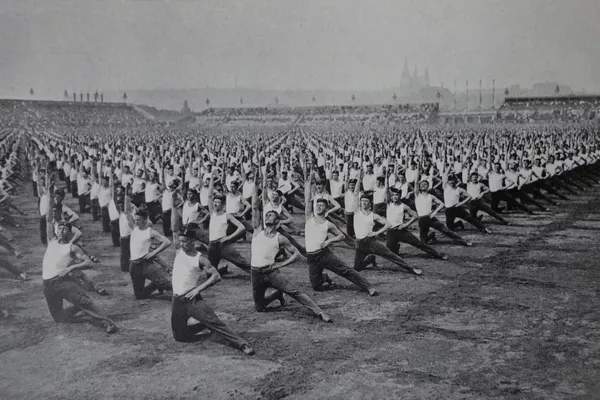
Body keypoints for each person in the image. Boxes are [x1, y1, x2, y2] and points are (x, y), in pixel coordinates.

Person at [41, 168, 117, 334]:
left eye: (65, 228)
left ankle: (107, 322)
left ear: (69, 232)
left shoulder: (71, 247)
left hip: (62, 282)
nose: (61, 230)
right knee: (59, 319)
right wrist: (48, 191)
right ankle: (78, 306)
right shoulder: (51, 242)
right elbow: (48, 218)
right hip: (47, 284)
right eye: (59, 228)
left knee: (86, 302)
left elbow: (88, 263)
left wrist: (71, 268)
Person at [250, 171, 332, 322]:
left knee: (295, 292)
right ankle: (276, 295)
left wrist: (281, 264)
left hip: (271, 272)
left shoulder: (280, 238)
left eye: (271, 215)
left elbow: (296, 255)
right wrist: (256, 185)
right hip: (255, 273)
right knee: (259, 308)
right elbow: (255, 206)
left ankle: (319, 312)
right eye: (267, 215)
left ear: (277, 221)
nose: (267, 215)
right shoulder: (257, 231)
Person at [170, 227, 255, 355]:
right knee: (180, 337)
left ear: (193, 241)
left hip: (191, 299)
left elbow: (216, 276)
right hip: (177, 301)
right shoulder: (179, 251)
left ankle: (242, 344)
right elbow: (174, 228)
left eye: (185, 241)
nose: (182, 244)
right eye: (181, 241)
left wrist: (198, 289)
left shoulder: (200, 259)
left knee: (216, 323)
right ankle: (204, 325)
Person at [304, 159, 378, 295]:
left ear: (326, 208)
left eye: (322, 206)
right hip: (311, 257)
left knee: (345, 270)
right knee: (316, 287)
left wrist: (329, 241)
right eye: (317, 205)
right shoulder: (309, 218)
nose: (319, 207)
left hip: (324, 254)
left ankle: (368, 286)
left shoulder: (328, 224)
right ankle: (325, 278)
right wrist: (309, 182)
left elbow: (342, 236)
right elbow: (308, 199)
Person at [351, 171, 422, 275]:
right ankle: (370, 258)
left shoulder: (374, 215)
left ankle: (411, 268)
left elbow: (388, 224)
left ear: (370, 203)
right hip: (359, 243)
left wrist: (376, 233)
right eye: (362, 201)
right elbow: (356, 193)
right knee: (356, 267)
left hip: (371, 242)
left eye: (366, 201)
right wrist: (359, 179)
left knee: (390, 255)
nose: (364, 202)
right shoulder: (356, 211)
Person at [128, 206, 173, 299]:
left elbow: (167, 242)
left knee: (166, 284)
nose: (136, 222)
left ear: (145, 219)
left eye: (138, 220)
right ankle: (155, 285)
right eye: (135, 220)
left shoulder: (150, 232)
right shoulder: (134, 228)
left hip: (145, 263)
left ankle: (183, 293)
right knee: (139, 296)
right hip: (134, 265)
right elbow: (126, 210)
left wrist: (153, 253)